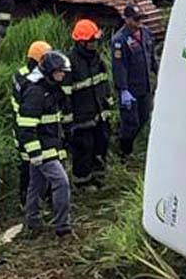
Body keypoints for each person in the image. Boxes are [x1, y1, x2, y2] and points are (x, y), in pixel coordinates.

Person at [18, 49, 73, 236]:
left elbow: (56, 122)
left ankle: (32, 222)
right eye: (60, 71)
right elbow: (26, 126)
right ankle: (62, 227)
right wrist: (34, 153)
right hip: (41, 149)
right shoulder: (35, 93)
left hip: (49, 146)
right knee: (61, 183)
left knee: (37, 185)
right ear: (50, 71)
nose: (63, 75)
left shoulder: (52, 90)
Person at [66, 19, 113, 188]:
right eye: (91, 41)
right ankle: (83, 183)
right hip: (82, 116)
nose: (95, 44)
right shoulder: (70, 63)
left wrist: (107, 104)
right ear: (81, 42)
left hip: (99, 112)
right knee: (84, 149)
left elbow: (103, 83)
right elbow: (66, 94)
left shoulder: (96, 60)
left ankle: (99, 177)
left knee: (101, 144)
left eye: (96, 41)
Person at [111, 4, 158, 156]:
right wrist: (123, 89)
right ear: (127, 19)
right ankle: (124, 152)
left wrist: (159, 72)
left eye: (141, 18)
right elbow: (119, 67)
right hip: (130, 89)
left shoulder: (146, 33)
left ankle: (123, 137)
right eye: (136, 19)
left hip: (144, 86)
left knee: (144, 117)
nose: (139, 22)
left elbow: (151, 57)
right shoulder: (119, 40)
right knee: (131, 123)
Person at [12, 40, 52, 205]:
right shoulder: (30, 81)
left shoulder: (21, 74)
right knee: (29, 167)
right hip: (28, 129)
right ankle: (27, 202)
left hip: (26, 128)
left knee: (32, 165)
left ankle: (34, 201)